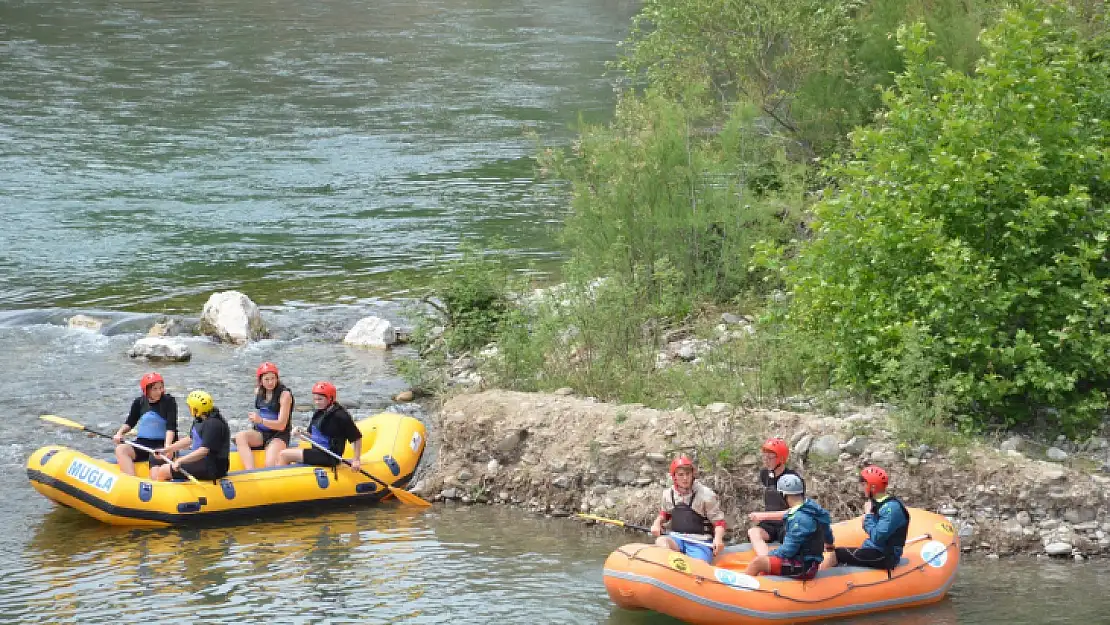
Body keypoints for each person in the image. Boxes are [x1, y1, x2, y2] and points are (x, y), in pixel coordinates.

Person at [820, 466, 910, 572]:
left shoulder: (892, 508)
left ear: (872, 487)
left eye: (863, 485)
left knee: (837, 554)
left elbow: (878, 536)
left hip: (885, 556)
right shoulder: (877, 504)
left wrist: (868, 516)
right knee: (840, 552)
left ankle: (814, 583)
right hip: (874, 549)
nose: (861, 488)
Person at [745, 474, 834, 580]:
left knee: (758, 563)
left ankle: (738, 590)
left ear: (784, 495)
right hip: (809, 563)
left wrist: (768, 555)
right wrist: (829, 544)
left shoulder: (798, 519)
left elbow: (788, 551)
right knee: (765, 565)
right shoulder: (813, 509)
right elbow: (827, 532)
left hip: (803, 567)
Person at [648, 455, 727, 563]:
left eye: (687, 474)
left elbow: (719, 523)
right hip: (676, 538)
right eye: (681, 475)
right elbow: (665, 514)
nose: (685, 478)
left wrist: (718, 539)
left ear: (692, 474)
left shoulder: (706, 495)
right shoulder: (668, 494)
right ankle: (670, 568)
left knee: (698, 565)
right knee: (661, 542)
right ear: (674, 476)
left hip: (700, 541)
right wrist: (657, 523)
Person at [278, 381, 362, 471]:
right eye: (315, 399)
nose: (317, 402)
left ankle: (278, 482)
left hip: (329, 456)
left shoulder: (341, 416)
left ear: (330, 399)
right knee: (286, 452)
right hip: (318, 452)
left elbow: (357, 438)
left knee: (284, 454)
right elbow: (311, 437)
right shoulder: (318, 413)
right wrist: (301, 433)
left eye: (320, 399)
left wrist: (356, 459)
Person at [151, 390, 231, 482]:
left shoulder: (213, 424)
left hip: (213, 467)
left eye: (190, 407)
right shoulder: (200, 418)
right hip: (202, 461)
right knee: (168, 466)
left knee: (163, 471)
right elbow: (190, 439)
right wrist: (166, 449)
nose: (189, 409)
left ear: (196, 409)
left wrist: (181, 461)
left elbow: (204, 451)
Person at [747, 437, 805, 556]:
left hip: (788, 524)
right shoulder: (764, 474)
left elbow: (796, 511)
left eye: (770, 458)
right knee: (753, 532)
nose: (766, 460)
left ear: (781, 459)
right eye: (764, 457)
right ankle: (766, 560)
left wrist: (763, 515)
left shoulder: (793, 480)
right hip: (770, 525)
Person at [113, 372, 178, 476]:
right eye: (155, 389)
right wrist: (119, 433)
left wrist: (167, 448)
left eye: (161, 388)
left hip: (162, 445)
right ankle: (132, 481)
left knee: (155, 474)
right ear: (146, 390)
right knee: (121, 449)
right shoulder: (139, 402)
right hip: (143, 444)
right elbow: (130, 423)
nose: (159, 392)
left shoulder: (169, 402)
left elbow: (171, 427)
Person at [233, 362, 295, 469]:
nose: (270, 382)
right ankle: (250, 471)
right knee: (240, 436)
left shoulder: (285, 395)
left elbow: (281, 425)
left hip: (278, 435)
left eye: (273, 378)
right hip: (261, 433)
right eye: (267, 379)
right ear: (260, 380)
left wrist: (261, 420)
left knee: (270, 465)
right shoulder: (259, 391)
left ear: (277, 378)